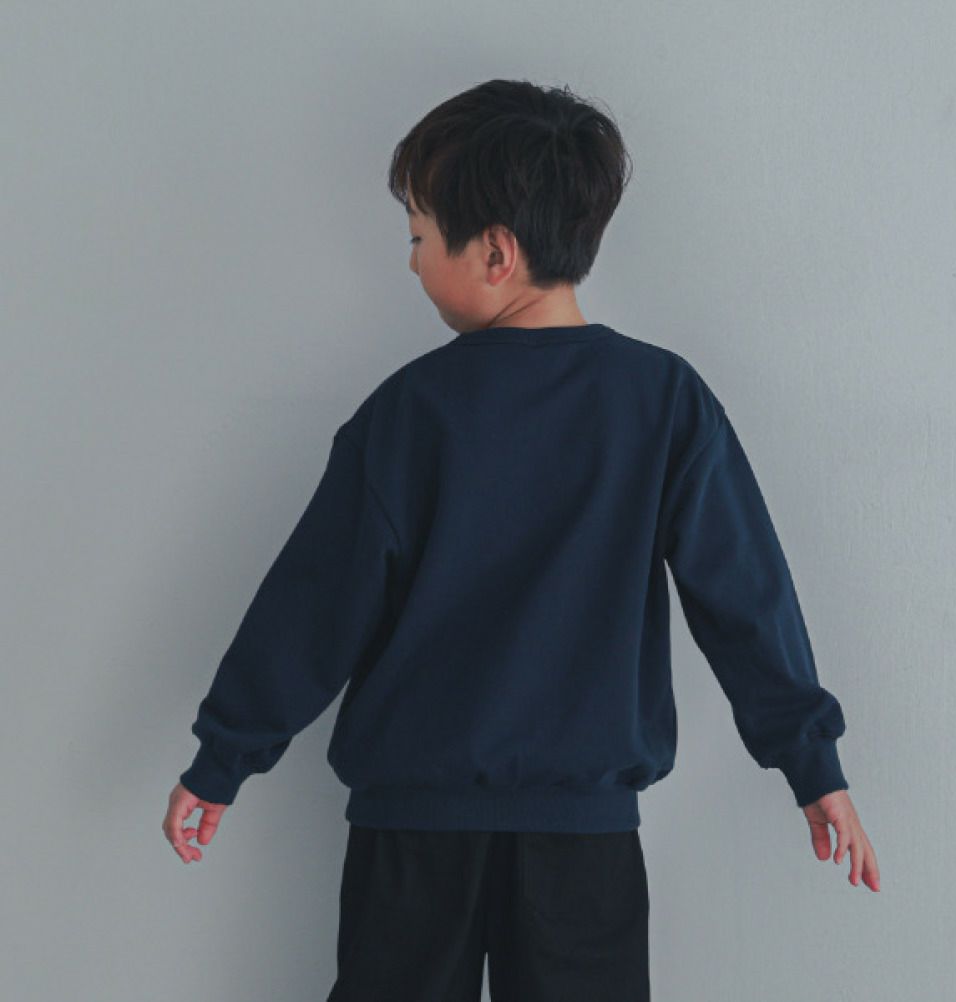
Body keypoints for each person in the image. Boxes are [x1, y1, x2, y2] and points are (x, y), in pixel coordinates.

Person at [162, 78, 880, 1001]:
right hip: (583, 841)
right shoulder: (662, 402)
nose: (411, 263)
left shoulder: (411, 412)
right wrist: (813, 767)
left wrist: (223, 759)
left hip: (411, 834)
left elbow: (314, 607)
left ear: (495, 252)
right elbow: (746, 597)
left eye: (419, 237)